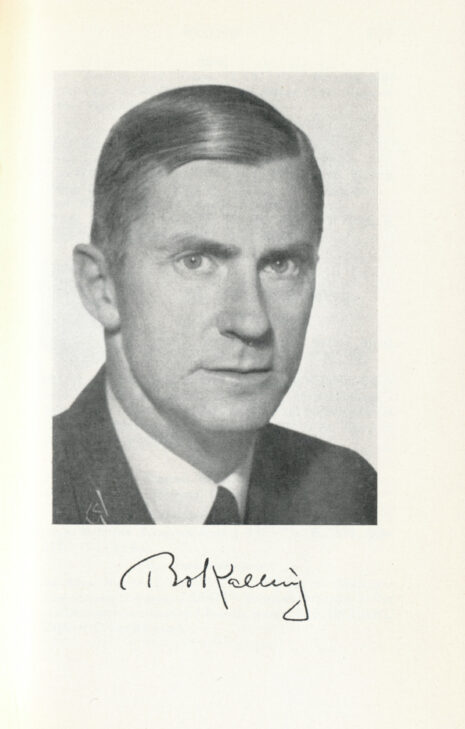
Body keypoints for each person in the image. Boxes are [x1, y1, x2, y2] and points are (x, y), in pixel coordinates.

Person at [53, 84, 376, 525]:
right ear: (102, 287)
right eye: (196, 262)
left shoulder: (349, 494)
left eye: (280, 265)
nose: (251, 321)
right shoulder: (23, 489)